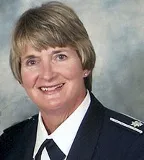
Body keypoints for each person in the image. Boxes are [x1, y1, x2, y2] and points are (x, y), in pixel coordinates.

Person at [0, 1, 144, 160]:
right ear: (20, 75)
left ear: (85, 65)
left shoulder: (135, 146)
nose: (47, 75)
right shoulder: (8, 145)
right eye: (32, 62)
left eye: (60, 57)